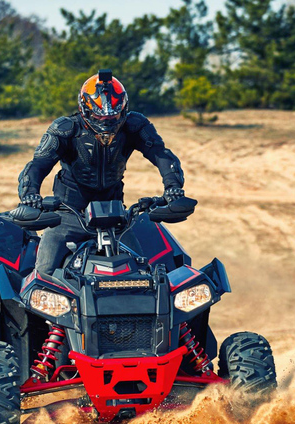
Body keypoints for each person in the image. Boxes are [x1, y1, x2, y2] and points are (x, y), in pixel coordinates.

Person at [17, 69, 185, 275]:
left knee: (144, 272)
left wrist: (173, 188)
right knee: (44, 273)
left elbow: (162, 155)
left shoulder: (134, 125)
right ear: (85, 108)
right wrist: (30, 195)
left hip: (116, 216)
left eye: (113, 114)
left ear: (123, 108)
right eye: (99, 114)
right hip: (67, 214)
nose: (106, 121)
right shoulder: (65, 129)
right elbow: (37, 165)